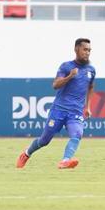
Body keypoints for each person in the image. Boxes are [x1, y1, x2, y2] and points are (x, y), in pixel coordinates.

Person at [17, 37, 95, 170]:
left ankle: (65, 161)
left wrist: (87, 107)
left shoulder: (91, 70)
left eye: (89, 50)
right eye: (85, 49)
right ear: (76, 49)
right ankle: (26, 154)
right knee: (44, 140)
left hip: (75, 112)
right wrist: (70, 76)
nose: (87, 52)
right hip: (59, 110)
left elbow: (91, 86)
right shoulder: (66, 66)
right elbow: (55, 85)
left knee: (77, 134)